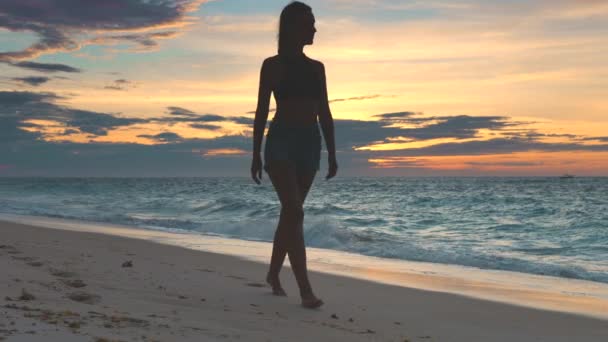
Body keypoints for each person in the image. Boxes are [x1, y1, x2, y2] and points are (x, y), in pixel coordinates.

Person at [250, 1, 338, 309]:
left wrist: (332, 152)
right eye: (309, 23)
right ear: (293, 27)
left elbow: (325, 112)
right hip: (281, 142)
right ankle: (305, 290)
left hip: (310, 144)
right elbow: (262, 110)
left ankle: (274, 274)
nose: (314, 28)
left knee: (291, 212)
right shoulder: (272, 65)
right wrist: (255, 153)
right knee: (295, 211)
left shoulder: (317, 68)